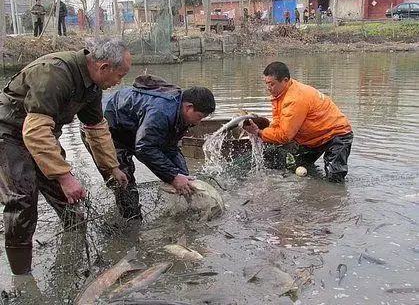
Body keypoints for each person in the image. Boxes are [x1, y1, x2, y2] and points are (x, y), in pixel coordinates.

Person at [0, 38, 131, 279]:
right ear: (104, 68)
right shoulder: (55, 72)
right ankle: (22, 278)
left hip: (41, 136)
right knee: (22, 201)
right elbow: (35, 130)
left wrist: (112, 168)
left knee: (70, 201)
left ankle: (70, 259)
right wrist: (64, 175)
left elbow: (96, 129)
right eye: (119, 76)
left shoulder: (92, 86)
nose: (117, 83)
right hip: (8, 134)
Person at [82, 74, 216, 220]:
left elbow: (169, 148)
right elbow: (145, 148)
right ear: (189, 107)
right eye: (200, 117)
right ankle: (131, 225)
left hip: (129, 129)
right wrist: (173, 177)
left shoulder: (180, 112)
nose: (199, 122)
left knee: (179, 177)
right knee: (123, 180)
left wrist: (182, 175)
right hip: (101, 127)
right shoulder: (161, 111)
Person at [242, 62, 353, 183]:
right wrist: (264, 132)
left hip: (337, 134)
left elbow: (285, 135)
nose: (268, 88)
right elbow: (278, 123)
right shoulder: (280, 95)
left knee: (334, 178)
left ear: (284, 80)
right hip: (314, 137)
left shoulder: (294, 99)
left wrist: (259, 132)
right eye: (266, 83)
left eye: (272, 84)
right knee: (296, 165)